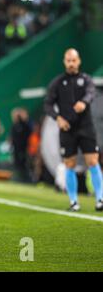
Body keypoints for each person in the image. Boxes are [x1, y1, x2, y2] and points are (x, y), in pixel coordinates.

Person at [44, 48, 102, 212]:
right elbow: (47, 104)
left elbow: (91, 93)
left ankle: (100, 199)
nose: (71, 63)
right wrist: (58, 118)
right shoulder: (57, 82)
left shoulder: (86, 80)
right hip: (67, 129)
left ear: (79, 61)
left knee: (92, 161)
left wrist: (84, 102)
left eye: (73, 60)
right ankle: (73, 201)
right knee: (69, 164)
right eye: (68, 60)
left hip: (86, 128)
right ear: (64, 62)